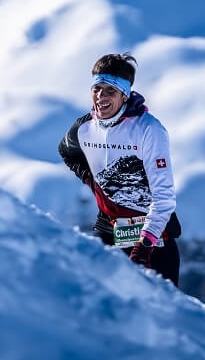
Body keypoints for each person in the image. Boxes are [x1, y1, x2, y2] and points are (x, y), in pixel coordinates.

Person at [58, 53, 182, 285]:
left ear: (125, 95)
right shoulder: (84, 128)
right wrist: (91, 179)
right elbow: (66, 150)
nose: (101, 96)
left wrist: (144, 245)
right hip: (110, 232)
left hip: (154, 240)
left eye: (110, 91)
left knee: (158, 307)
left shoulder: (149, 129)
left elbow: (164, 198)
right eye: (97, 89)